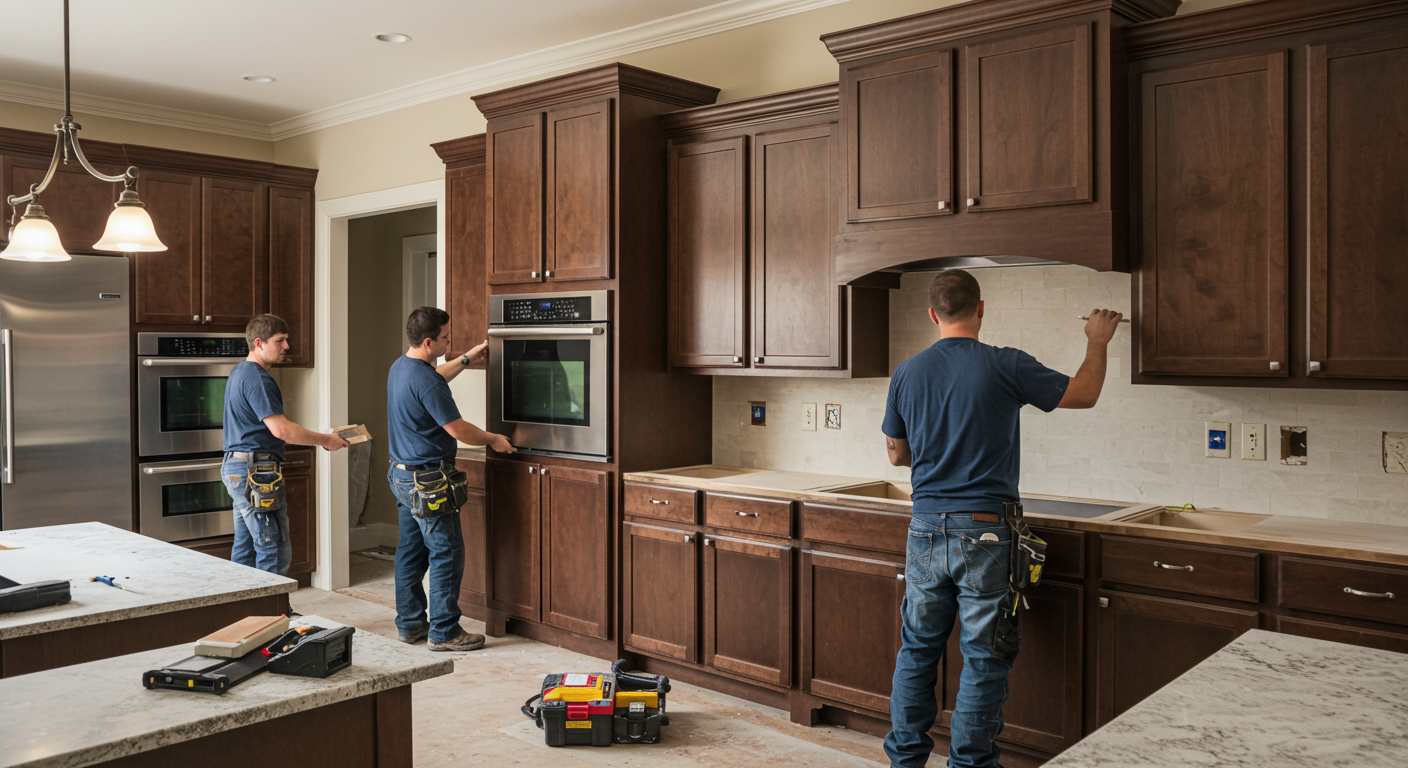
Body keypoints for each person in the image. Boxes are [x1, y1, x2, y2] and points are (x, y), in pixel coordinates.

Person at [881, 270, 1122, 768]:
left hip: (924, 528)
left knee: (917, 651)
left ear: (932, 315)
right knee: (984, 657)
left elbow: (897, 455)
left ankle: (904, 762)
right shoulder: (1004, 363)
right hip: (986, 531)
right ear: (981, 309)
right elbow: (1083, 393)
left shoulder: (906, 372)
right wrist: (1097, 341)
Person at [387, 307, 515, 652]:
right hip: (429, 482)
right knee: (446, 553)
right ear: (428, 342)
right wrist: (493, 438)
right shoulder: (426, 380)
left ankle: (410, 625)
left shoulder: (402, 367)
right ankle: (444, 632)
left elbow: (434, 378)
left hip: (402, 476)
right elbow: (458, 429)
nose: (449, 341)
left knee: (411, 553)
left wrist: (467, 358)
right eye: (445, 337)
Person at [223, 314, 349, 576]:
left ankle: (244, 603)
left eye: (286, 340)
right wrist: (326, 440)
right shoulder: (258, 378)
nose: (287, 347)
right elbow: (281, 430)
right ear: (259, 343)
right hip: (255, 472)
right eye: (279, 341)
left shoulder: (239, 372)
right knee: (273, 546)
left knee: (246, 548)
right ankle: (274, 602)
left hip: (237, 466)